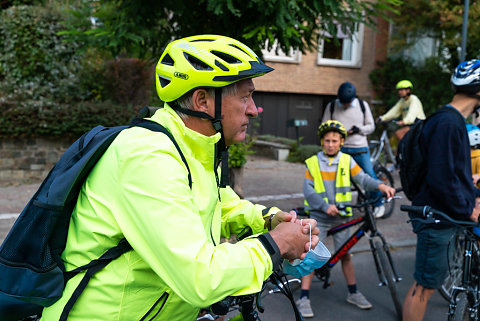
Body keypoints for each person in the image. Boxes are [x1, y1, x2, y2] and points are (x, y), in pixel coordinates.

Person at [40, 35, 320, 321]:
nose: (254, 109)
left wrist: (268, 219)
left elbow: (216, 204)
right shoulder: (148, 156)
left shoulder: (192, 148)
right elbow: (200, 277)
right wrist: (277, 244)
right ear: (202, 101)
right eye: (245, 97)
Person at [402, 59, 480, 321]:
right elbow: (442, 179)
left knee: (427, 285)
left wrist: (473, 196)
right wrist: (468, 210)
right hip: (436, 218)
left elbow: (455, 173)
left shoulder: (451, 120)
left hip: (442, 214)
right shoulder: (447, 124)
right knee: (424, 286)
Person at [295, 120, 395, 318]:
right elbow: (308, 190)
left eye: (335, 140)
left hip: (341, 218)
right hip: (319, 218)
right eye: (327, 140)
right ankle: (303, 297)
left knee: (346, 255)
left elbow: (363, 179)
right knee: (311, 255)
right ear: (322, 142)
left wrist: (381, 186)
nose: (330, 144)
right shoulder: (313, 163)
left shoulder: (347, 161)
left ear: (341, 142)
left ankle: (353, 292)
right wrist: (325, 206)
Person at [321, 81, 385, 218]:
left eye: (348, 103)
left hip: (359, 148)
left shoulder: (362, 105)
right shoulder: (332, 106)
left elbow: (371, 126)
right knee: (336, 179)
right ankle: (337, 206)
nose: (345, 105)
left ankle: (379, 204)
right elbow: (324, 125)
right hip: (340, 149)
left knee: (368, 175)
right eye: (343, 103)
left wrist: (358, 129)